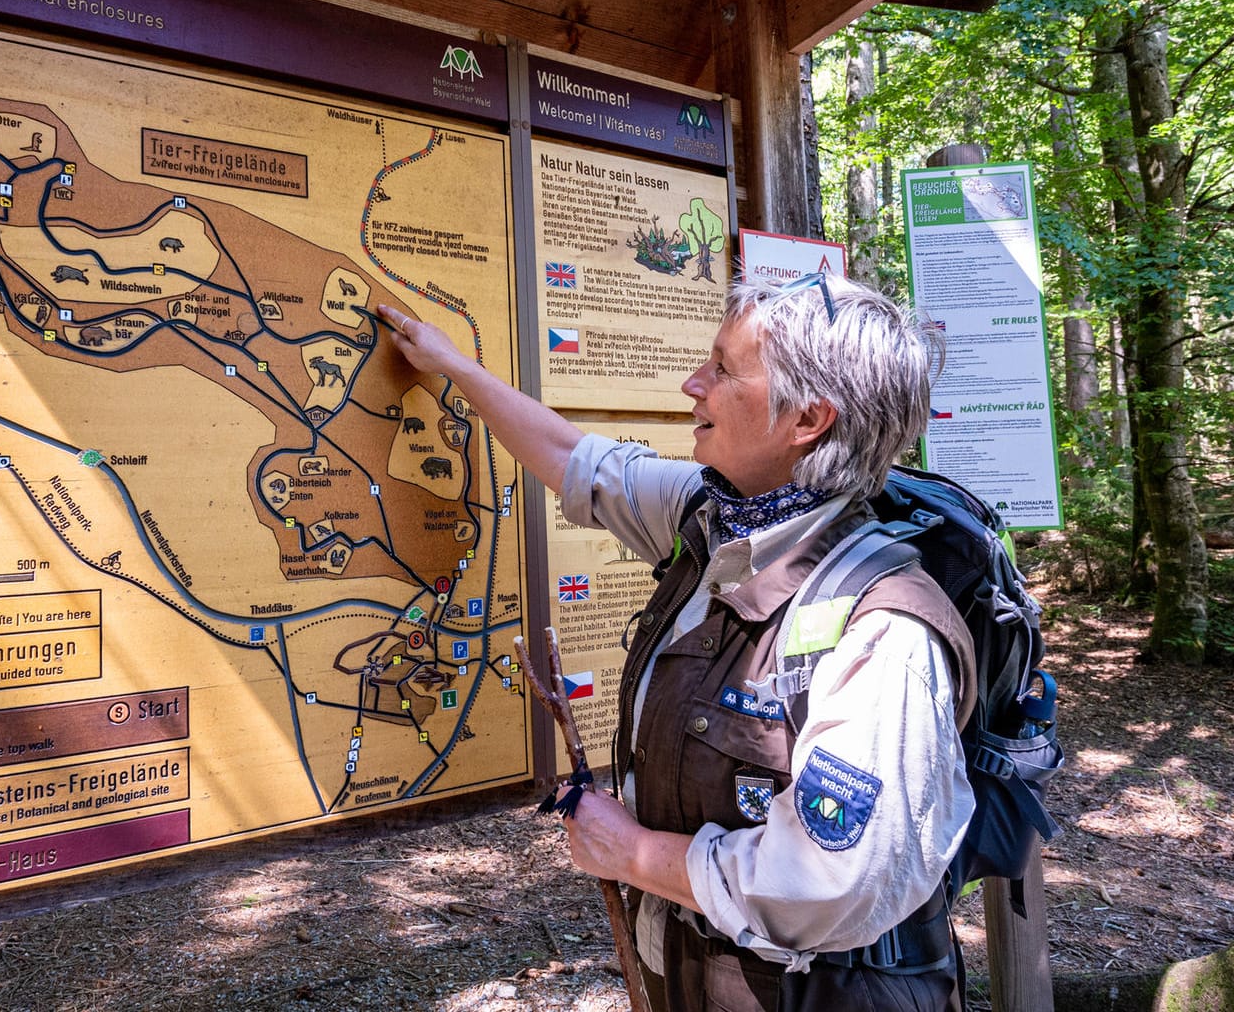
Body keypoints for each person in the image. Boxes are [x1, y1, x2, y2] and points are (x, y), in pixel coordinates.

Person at [377, 273, 974, 1011]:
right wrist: (456, 369)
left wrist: (634, 855)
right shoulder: (718, 516)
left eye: (724, 369)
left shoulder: (882, 629)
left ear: (808, 419)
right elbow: (574, 460)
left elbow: (829, 879)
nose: (693, 383)